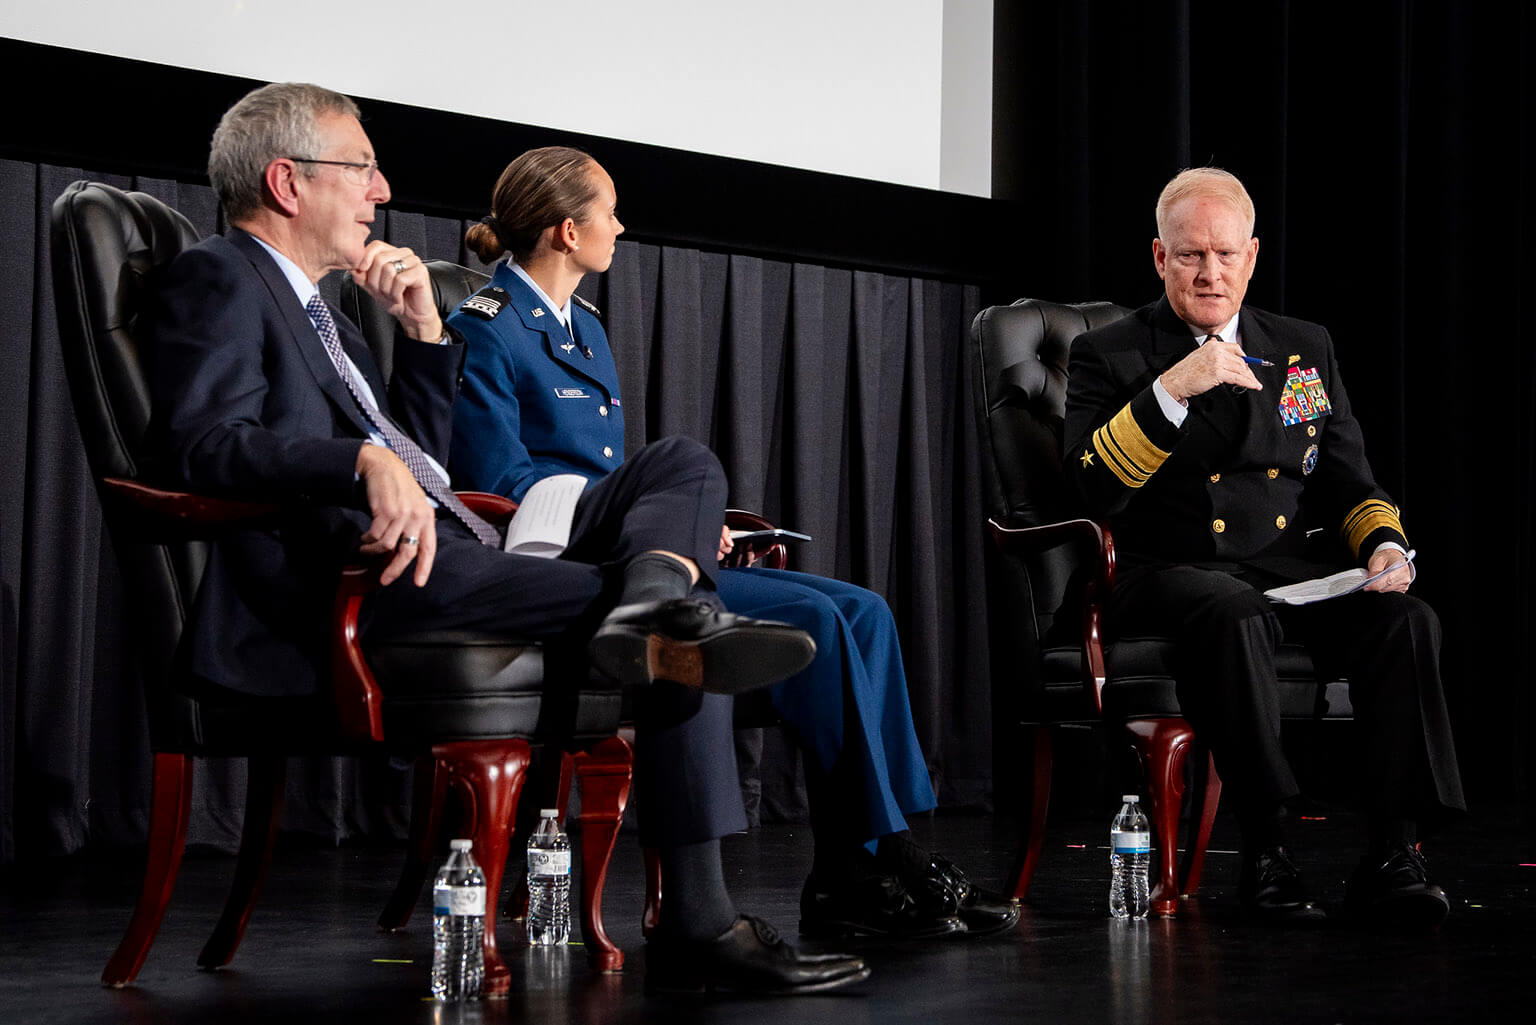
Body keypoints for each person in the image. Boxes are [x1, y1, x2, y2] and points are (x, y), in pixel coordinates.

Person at [145, 81, 870, 995]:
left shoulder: (320, 308)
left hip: (452, 553)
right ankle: (700, 920)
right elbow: (205, 446)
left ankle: (651, 593)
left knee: (681, 463)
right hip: (356, 585)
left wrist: (420, 335)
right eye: (363, 167)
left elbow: (425, 463)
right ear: (289, 182)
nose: (381, 189)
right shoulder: (221, 275)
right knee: (690, 632)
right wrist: (358, 462)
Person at [445, 147, 1018, 940]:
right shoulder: (486, 328)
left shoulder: (586, 328)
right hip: (575, 567)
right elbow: (502, 487)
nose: (621, 224)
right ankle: (875, 859)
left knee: (866, 611)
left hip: (634, 551)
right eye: (609, 211)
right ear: (569, 229)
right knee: (816, 622)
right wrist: (640, 516)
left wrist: (678, 524)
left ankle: (873, 853)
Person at [1063, 167, 1464, 927]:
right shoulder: (1109, 354)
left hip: (1287, 570)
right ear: (1159, 258)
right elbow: (1092, 491)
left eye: (1223, 254)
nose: (1209, 272)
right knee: (1231, 608)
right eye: (1189, 256)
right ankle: (1266, 849)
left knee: (1408, 619)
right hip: (1165, 569)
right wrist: (1172, 388)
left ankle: (1394, 851)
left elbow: (1350, 480)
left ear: (1251, 256)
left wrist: (1384, 547)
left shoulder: (1302, 348)